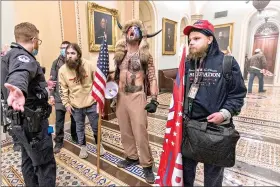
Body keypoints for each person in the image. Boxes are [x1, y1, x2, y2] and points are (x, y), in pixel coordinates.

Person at [182, 20, 247, 187]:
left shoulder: (227, 63)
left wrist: (224, 114)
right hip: (190, 128)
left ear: (210, 39)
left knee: (213, 178)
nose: (191, 43)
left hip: (215, 131)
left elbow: (237, 94)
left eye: (196, 38)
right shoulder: (189, 63)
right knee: (186, 173)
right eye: (190, 40)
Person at [1, 22, 56, 186]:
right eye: (38, 40)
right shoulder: (23, 57)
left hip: (20, 122)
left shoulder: (8, 56)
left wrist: (43, 85)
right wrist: (18, 88)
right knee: (45, 164)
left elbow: (22, 77)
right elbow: (20, 73)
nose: (38, 44)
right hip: (34, 123)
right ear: (34, 39)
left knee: (28, 160)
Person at [113, 19, 161, 183]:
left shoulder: (145, 56)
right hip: (121, 97)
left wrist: (154, 98)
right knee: (125, 131)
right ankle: (131, 156)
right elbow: (117, 76)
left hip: (137, 96)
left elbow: (153, 77)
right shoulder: (120, 54)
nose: (132, 31)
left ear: (141, 34)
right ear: (125, 33)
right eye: (129, 29)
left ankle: (147, 165)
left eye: (135, 29)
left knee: (140, 133)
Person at [58, 43, 106, 159]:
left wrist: (98, 99)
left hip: (91, 103)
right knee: (79, 128)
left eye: (72, 53)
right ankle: (83, 147)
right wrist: (66, 104)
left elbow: (97, 82)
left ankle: (99, 145)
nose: (69, 56)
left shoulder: (88, 65)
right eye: (68, 53)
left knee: (96, 126)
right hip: (75, 106)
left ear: (78, 55)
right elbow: (62, 89)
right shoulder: (62, 70)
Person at [49, 41, 83, 154]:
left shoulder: (75, 63)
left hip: (73, 97)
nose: (64, 50)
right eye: (62, 48)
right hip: (59, 97)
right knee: (59, 121)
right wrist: (51, 96)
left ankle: (75, 136)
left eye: (66, 48)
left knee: (75, 119)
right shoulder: (55, 63)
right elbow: (52, 81)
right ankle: (58, 142)